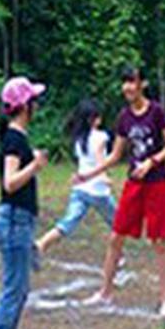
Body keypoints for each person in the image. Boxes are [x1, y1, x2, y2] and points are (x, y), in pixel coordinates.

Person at [77, 66, 165, 318]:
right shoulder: (124, 117)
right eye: (124, 83)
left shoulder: (156, 112)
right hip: (134, 184)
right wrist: (89, 174)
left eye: (132, 82)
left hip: (157, 182)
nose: (127, 88)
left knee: (159, 242)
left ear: (142, 84)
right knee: (116, 238)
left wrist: (151, 162)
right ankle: (105, 293)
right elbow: (115, 155)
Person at [0, 77, 48, 329]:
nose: (37, 105)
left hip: (20, 221)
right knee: (13, 289)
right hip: (13, 221)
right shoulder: (14, 140)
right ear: (24, 106)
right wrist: (35, 166)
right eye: (33, 100)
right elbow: (9, 183)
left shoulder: (18, 137)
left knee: (21, 289)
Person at [34, 99, 116, 257]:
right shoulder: (100, 137)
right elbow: (100, 160)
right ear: (92, 119)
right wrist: (104, 176)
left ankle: (42, 243)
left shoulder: (80, 139)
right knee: (119, 224)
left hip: (80, 189)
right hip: (98, 191)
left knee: (68, 222)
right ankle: (116, 257)